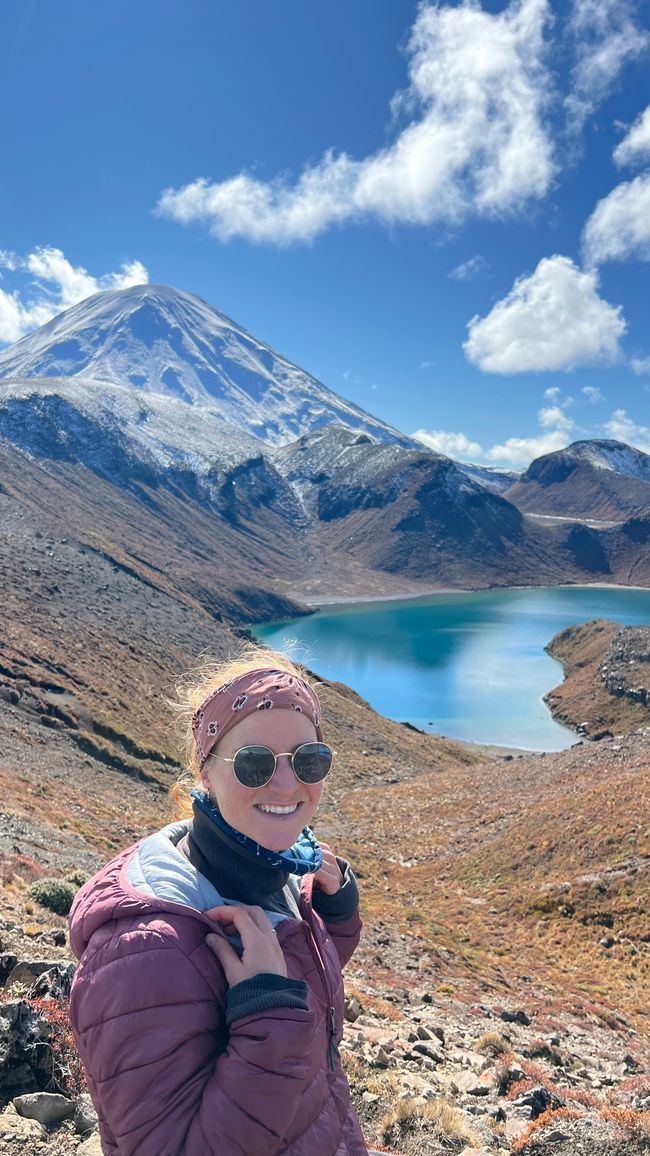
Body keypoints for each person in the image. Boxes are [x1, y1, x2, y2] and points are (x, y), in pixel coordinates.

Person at [68, 647, 368, 1155]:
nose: (287, 783)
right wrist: (269, 1015)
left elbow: (304, 970)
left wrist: (336, 913)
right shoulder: (143, 955)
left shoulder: (277, 871)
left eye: (309, 760)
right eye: (254, 763)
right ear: (205, 773)